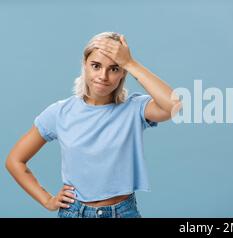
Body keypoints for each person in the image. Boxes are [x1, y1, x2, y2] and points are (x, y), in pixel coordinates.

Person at [5, 32, 181, 218]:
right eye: (96, 66)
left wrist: (130, 62)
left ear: (123, 73)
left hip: (122, 212)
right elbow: (15, 161)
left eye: (114, 68)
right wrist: (48, 200)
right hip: (74, 212)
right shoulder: (59, 113)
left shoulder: (135, 108)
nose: (103, 76)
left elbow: (174, 105)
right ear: (84, 65)